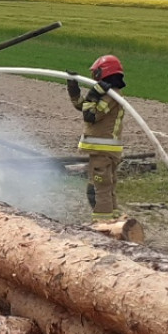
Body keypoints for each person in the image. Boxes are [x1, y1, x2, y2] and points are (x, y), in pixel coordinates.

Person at [67, 54, 126, 221]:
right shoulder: (106, 94)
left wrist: (94, 94)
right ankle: (116, 222)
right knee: (106, 188)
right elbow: (81, 105)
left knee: (99, 190)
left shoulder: (111, 95)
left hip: (104, 153)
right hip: (103, 152)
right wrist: (73, 87)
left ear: (103, 73)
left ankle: (104, 223)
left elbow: (90, 115)